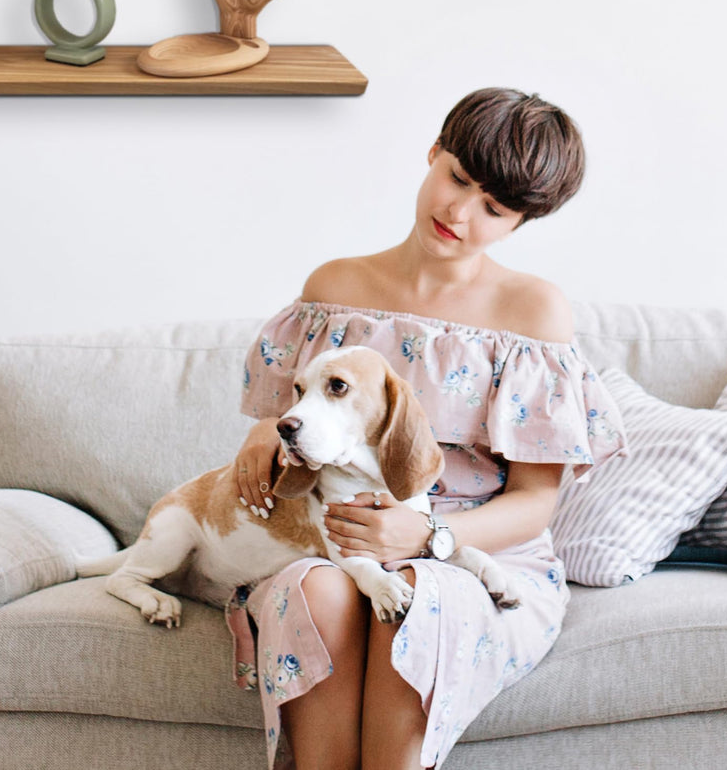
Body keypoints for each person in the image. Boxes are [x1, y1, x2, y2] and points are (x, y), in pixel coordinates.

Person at [228, 87, 626, 770]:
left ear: (521, 221)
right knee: (317, 590)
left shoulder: (532, 313)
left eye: (493, 208)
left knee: (415, 597)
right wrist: (268, 433)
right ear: (434, 152)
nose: (457, 212)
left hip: (471, 552)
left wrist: (430, 536)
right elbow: (293, 418)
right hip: (335, 539)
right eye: (456, 179)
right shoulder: (335, 287)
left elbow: (535, 502)